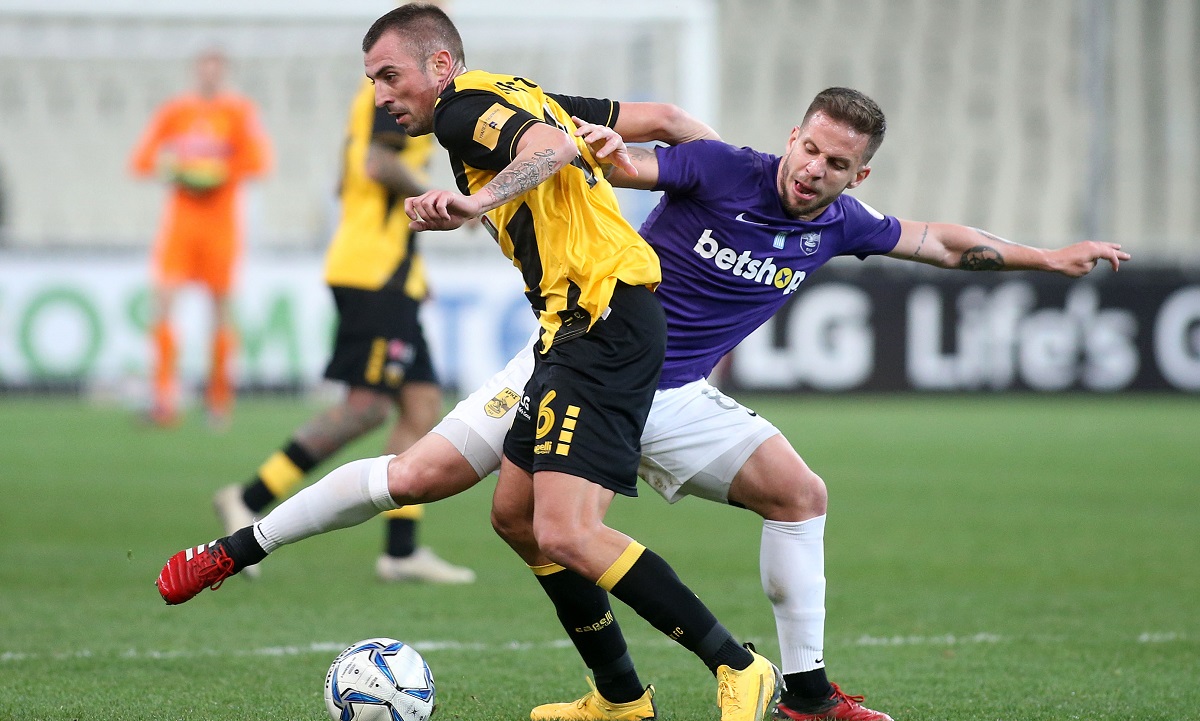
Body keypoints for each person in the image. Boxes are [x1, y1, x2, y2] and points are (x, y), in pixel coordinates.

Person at [155, 35, 1130, 721]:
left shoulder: (841, 224)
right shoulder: (722, 170)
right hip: (585, 352)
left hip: (657, 381)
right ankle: (631, 691)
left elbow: (942, 242)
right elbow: (624, 162)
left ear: (855, 176)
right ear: (791, 136)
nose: (812, 170)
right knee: (466, 496)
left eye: (835, 163)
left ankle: (801, 693)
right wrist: (612, 157)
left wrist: (1046, 257)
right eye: (808, 148)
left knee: (798, 495)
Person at [162, 6, 780, 721]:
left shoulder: (461, 111)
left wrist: (473, 201)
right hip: (569, 330)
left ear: (440, 66)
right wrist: (735, 187)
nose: (380, 96)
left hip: (605, 322)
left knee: (566, 531)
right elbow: (665, 118)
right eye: (371, 82)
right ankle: (620, 697)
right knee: (496, 509)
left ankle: (740, 666)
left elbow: (548, 146)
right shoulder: (520, 93)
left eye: (389, 76)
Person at [210, 75, 474, 584]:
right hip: (373, 276)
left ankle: (401, 551)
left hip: (391, 276)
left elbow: (346, 178)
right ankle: (248, 498)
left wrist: (413, 273)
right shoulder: (396, 89)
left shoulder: (381, 93)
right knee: (367, 407)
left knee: (421, 405)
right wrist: (439, 199)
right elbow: (377, 163)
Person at [129, 48, 271, 428]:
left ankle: (219, 400)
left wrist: (218, 171)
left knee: (220, 310)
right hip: (181, 225)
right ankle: (164, 399)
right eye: (204, 69)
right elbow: (142, 160)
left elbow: (259, 162)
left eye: (215, 70)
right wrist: (176, 169)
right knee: (163, 303)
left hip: (221, 227)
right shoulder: (175, 112)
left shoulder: (240, 112)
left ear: (223, 74)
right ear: (196, 72)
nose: (209, 76)